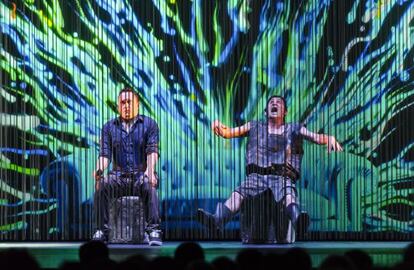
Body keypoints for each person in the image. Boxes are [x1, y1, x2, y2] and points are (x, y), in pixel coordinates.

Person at [198, 95, 343, 237]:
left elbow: (316, 137)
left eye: (279, 102)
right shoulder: (254, 126)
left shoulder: (294, 128)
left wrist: (329, 138)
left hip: (282, 176)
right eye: (271, 102)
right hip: (256, 176)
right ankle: (216, 221)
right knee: (238, 194)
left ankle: (298, 222)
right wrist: (217, 124)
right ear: (266, 111)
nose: (275, 103)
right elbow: (227, 133)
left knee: (288, 194)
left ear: (285, 111)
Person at [92, 87, 162, 246]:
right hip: (118, 177)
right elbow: (105, 154)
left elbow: (152, 151)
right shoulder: (109, 127)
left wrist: (150, 172)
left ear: (137, 105)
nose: (126, 106)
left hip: (140, 174)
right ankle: (101, 231)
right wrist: (99, 170)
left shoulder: (149, 124)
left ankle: (154, 230)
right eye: (122, 103)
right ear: (118, 105)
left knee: (149, 186)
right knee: (102, 185)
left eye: (129, 102)